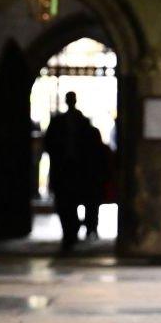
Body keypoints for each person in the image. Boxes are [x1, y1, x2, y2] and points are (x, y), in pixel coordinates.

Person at [43, 91, 97, 251]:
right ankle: (69, 231)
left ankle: (75, 229)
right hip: (63, 169)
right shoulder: (58, 122)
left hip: (78, 170)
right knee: (64, 203)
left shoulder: (83, 123)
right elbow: (49, 144)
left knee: (73, 201)